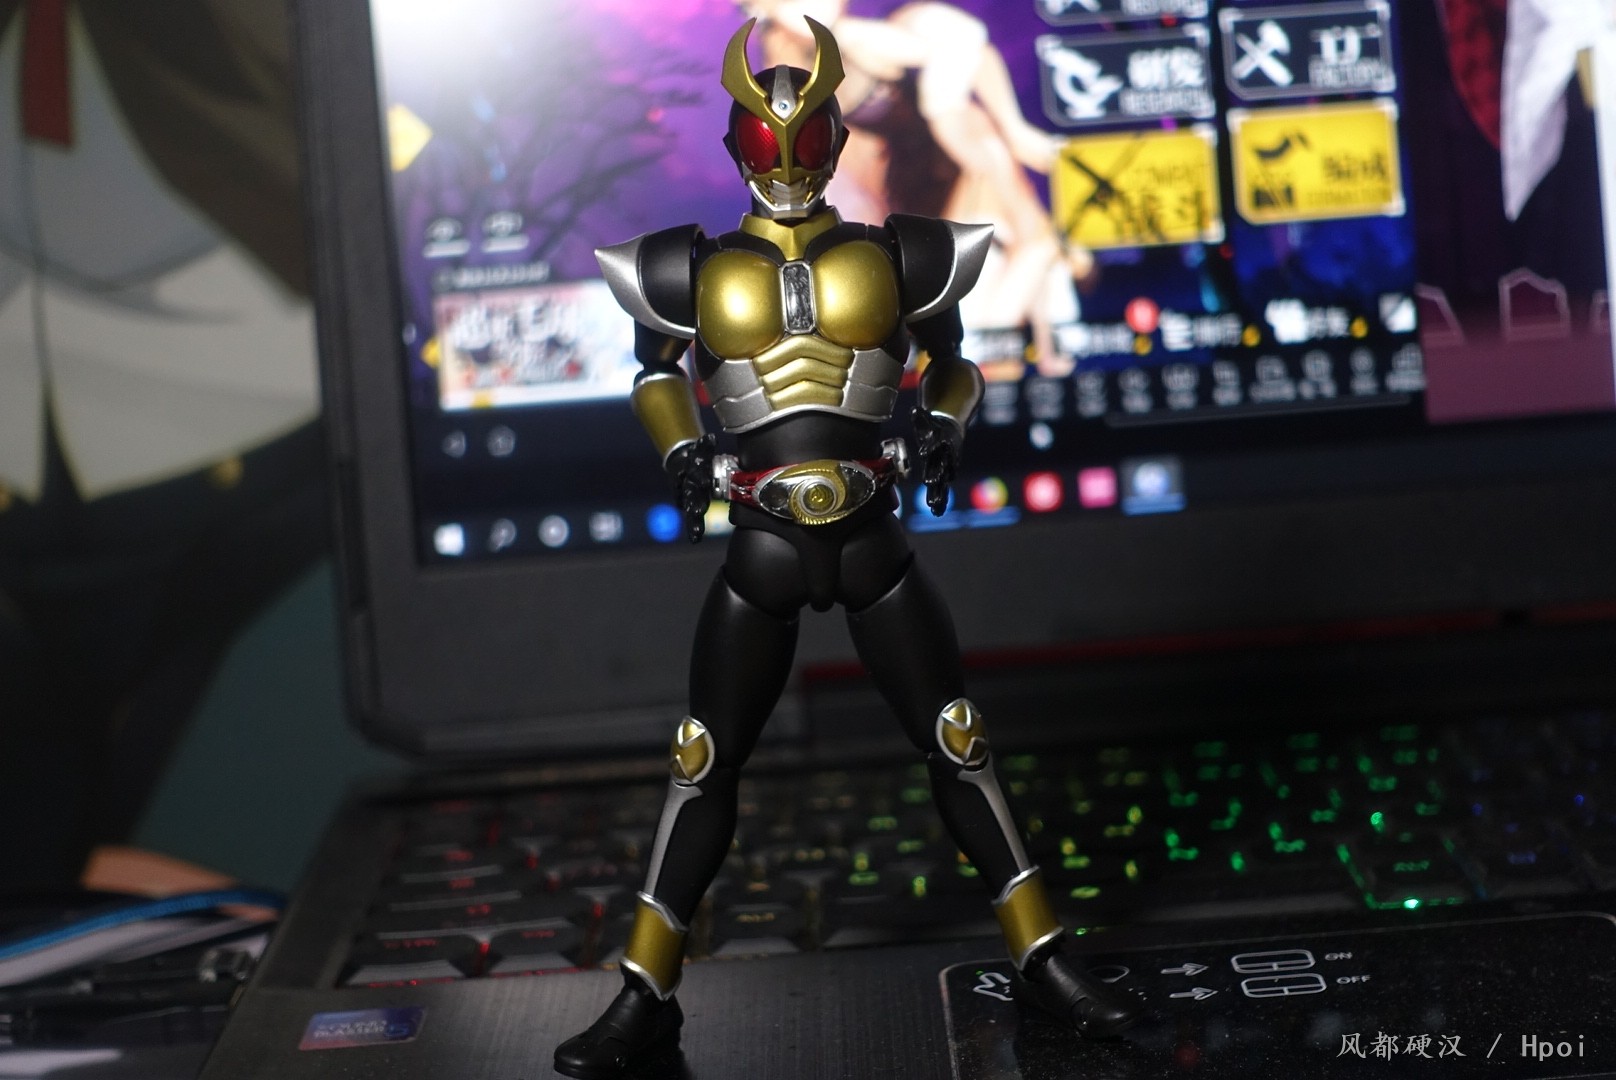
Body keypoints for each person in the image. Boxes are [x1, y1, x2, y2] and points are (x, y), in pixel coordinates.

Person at [554, 18, 1139, 1078]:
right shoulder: (685, 267)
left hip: (871, 540)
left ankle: (1043, 958)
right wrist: (681, 450)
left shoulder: (901, 253)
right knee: (701, 763)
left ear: (833, 135)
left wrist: (944, 424)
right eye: (764, 140)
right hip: (763, 549)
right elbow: (653, 376)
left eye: (802, 137)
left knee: (958, 742)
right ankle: (643, 992)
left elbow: (955, 366)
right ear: (737, 144)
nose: (784, 160)